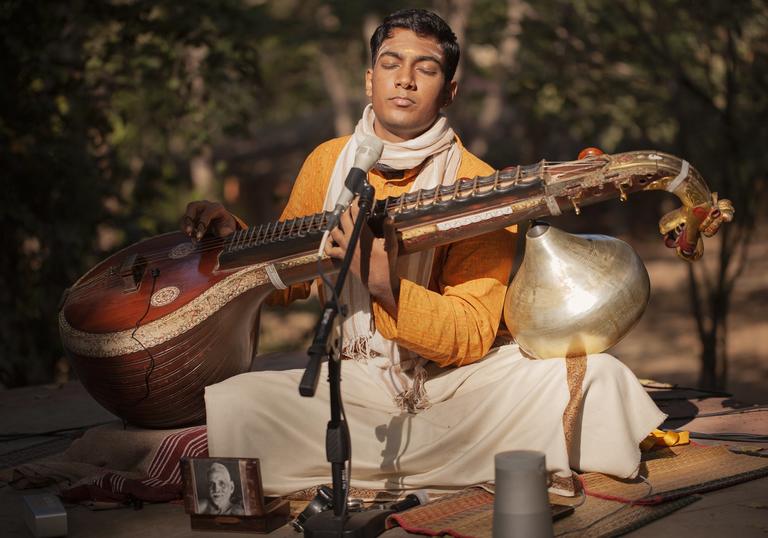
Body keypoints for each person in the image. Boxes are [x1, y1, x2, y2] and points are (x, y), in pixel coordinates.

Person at [184, 9, 665, 497]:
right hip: (349, 380)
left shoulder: (480, 185)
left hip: (449, 386)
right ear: (370, 80)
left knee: (598, 378)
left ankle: (374, 470)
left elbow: (473, 333)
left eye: (427, 69)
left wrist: (386, 287)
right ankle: (458, 465)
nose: (406, 80)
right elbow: (295, 278)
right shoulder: (328, 163)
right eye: (392, 64)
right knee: (237, 400)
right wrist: (236, 241)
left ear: (449, 90)